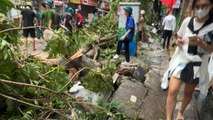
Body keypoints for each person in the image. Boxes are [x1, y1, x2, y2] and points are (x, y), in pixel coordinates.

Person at [165, 0, 213, 119]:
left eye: (204, 6)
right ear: (194, 7)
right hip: (181, 59)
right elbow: (179, 37)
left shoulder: (212, 27)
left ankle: (181, 112)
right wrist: (179, 41)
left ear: (211, 6)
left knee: (188, 92)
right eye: (197, 6)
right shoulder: (187, 22)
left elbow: (211, 49)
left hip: (197, 63)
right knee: (172, 90)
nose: (200, 9)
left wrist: (201, 43)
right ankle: (168, 118)